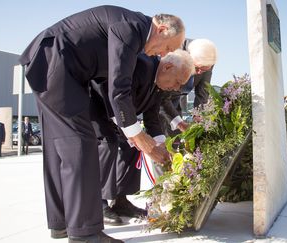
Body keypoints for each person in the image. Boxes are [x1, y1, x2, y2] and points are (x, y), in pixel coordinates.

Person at [19, 5, 185, 242]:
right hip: (57, 62)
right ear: (161, 28)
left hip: (54, 63)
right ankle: (85, 233)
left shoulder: (134, 32)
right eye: (167, 47)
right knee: (80, 146)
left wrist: (140, 136)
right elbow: (119, 88)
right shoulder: (131, 29)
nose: (162, 54)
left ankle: (62, 223)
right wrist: (138, 136)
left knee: (59, 150)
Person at [90, 50, 194, 225]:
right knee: (108, 145)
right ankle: (97, 203)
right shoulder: (140, 66)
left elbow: (152, 118)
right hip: (99, 106)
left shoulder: (160, 84)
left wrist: (162, 148)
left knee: (132, 148)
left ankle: (120, 201)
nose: (176, 88)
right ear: (167, 67)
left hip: (121, 115)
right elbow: (115, 97)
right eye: (177, 82)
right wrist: (138, 137)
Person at [160, 39, 217, 136]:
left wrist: (198, 115)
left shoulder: (207, 59)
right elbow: (161, 96)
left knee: (175, 139)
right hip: (159, 101)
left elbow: (203, 91)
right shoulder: (173, 52)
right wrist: (180, 124)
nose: (199, 72)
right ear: (189, 57)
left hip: (177, 103)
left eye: (203, 70)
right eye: (197, 68)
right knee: (158, 137)